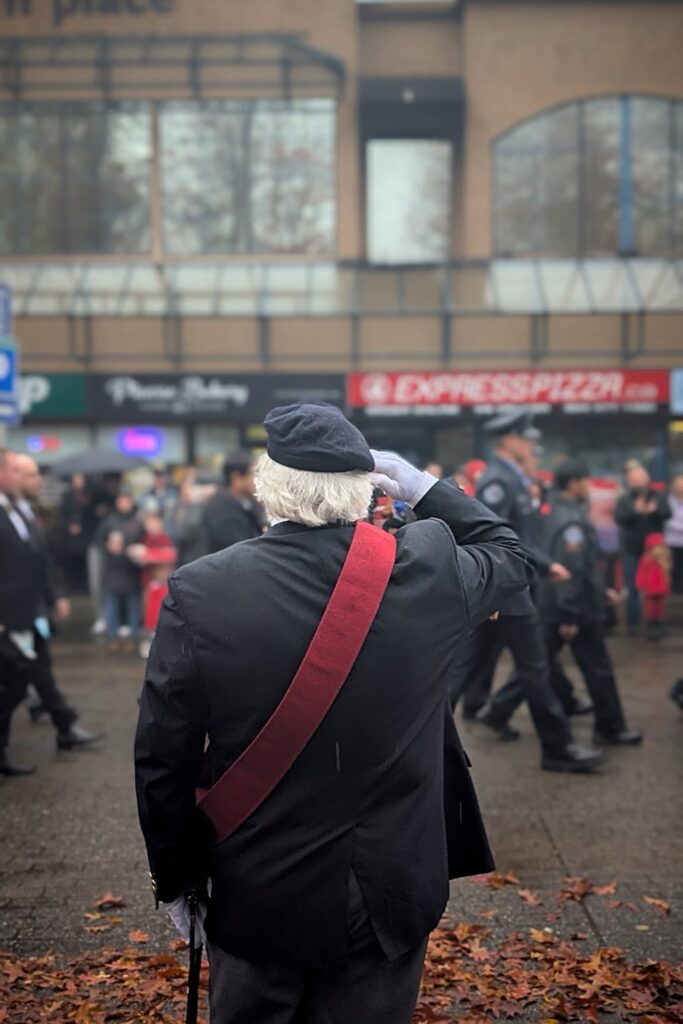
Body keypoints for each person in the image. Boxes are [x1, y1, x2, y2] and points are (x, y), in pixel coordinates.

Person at [135, 403, 532, 1024]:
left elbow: (164, 755)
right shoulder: (427, 567)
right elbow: (510, 554)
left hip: (257, 886)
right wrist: (426, 486)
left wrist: (178, 876)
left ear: (268, 489)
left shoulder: (201, 588)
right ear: (369, 490)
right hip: (389, 891)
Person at [452, 412, 602, 773]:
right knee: (533, 665)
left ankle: (418, 734)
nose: (532, 444)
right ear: (509, 441)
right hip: (507, 588)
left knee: (466, 666)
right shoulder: (498, 482)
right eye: (526, 438)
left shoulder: (513, 479)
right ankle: (557, 747)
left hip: (512, 584)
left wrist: (544, 562)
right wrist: (505, 583)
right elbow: (488, 534)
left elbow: (521, 535)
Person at [535, 459, 641, 745]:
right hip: (577, 608)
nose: (589, 487)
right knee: (597, 669)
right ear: (573, 484)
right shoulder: (570, 520)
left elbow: (585, 566)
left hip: (570, 604)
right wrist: (569, 615)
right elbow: (570, 570)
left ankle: (500, 711)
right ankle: (610, 727)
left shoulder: (559, 512)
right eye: (585, 481)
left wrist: (603, 589)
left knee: (540, 662)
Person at [12, 455, 105, 751]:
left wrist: (55, 596)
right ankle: (63, 723)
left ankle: (64, 725)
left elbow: (41, 560)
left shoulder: (25, 511)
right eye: (29, 475)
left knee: (37, 670)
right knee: (23, 676)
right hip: (11, 613)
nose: (37, 481)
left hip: (29, 610)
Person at [0, 449, 40, 775]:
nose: (19, 477)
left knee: (20, 673)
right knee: (16, 672)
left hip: (19, 611)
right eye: (13, 470)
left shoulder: (15, 509)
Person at [615, 465, 670, 635]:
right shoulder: (624, 499)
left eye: (639, 478)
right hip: (631, 549)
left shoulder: (658, 496)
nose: (636, 482)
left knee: (656, 589)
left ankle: (656, 623)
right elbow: (619, 518)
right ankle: (633, 624)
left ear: (647, 478)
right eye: (633, 479)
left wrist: (654, 511)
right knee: (632, 588)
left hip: (654, 552)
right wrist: (635, 511)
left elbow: (668, 513)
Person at [97, 489, 144, 654]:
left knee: (133, 605)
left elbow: (144, 541)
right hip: (113, 569)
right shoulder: (109, 522)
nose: (124, 503)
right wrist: (109, 547)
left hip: (131, 569)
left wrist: (138, 550)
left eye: (127, 500)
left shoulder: (138, 522)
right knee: (112, 605)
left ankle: (133, 636)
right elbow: (99, 543)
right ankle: (112, 637)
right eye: (121, 500)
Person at [201, 454, 263, 555]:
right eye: (252, 474)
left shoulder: (248, 504)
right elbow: (239, 551)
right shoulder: (221, 511)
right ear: (236, 478)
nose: (257, 480)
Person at [636, 533, 672, 641]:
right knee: (650, 609)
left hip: (661, 591)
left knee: (660, 609)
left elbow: (666, 576)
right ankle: (652, 628)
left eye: (660, 547)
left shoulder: (665, 560)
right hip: (650, 591)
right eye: (655, 547)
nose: (658, 550)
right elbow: (641, 574)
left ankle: (659, 626)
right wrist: (641, 585)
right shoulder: (646, 560)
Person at [664, 474, 683, 594]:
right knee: (674, 569)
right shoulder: (668, 501)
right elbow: (667, 519)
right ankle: (676, 594)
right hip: (672, 542)